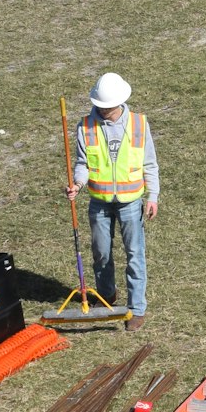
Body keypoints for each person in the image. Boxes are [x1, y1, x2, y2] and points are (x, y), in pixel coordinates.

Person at [66, 72, 159, 331]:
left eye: (107, 106)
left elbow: (149, 163)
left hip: (131, 203)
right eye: (99, 105)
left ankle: (136, 309)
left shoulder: (139, 124)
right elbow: (83, 163)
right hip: (99, 202)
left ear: (120, 102)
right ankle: (107, 297)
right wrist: (78, 183)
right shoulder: (85, 126)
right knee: (101, 253)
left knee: (135, 255)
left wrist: (153, 196)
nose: (102, 110)